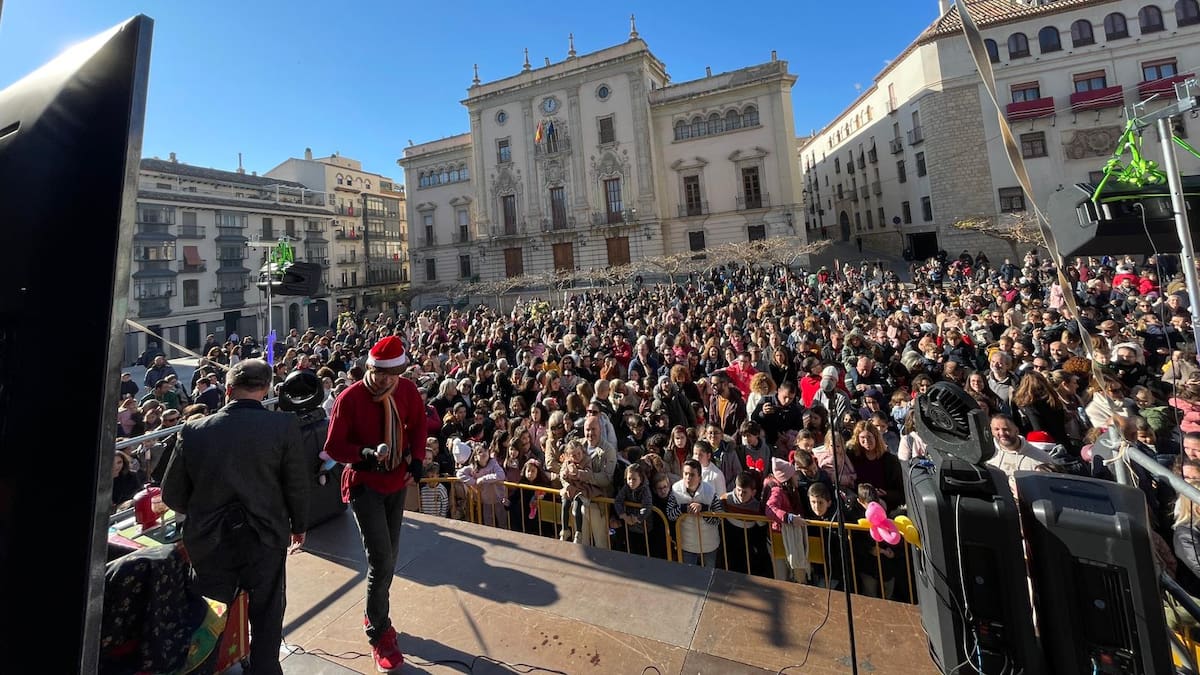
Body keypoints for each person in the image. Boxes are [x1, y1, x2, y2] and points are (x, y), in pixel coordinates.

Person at [160, 359, 309, 675]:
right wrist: (299, 525)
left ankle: (204, 669)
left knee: (209, 617)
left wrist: (204, 507)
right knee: (267, 613)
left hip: (209, 541)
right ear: (266, 389)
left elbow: (171, 495)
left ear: (227, 390)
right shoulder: (283, 426)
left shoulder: (193, 430)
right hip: (265, 538)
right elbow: (296, 484)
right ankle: (265, 669)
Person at [323, 336, 428, 673]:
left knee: (390, 557)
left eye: (392, 375)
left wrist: (417, 460)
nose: (385, 380)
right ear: (370, 368)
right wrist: (364, 455)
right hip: (365, 486)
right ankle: (379, 632)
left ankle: (374, 611)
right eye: (380, 374)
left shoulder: (407, 391)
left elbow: (418, 425)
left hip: (395, 483)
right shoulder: (349, 399)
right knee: (381, 560)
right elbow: (334, 447)